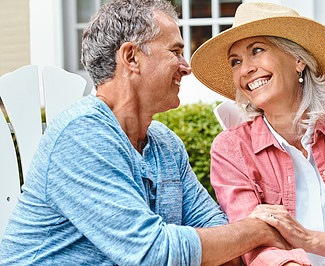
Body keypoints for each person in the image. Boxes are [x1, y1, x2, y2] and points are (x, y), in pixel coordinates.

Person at [0, 0, 290, 265]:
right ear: (131, 57)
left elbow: (214, 226)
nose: (186, 68)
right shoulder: (81, 136)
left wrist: (246, 240)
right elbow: (152, 253)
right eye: (175, 52)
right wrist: (255, 230)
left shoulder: (165, 145)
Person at [191, 2, 325, 265]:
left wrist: (308, 239)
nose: (245, 70)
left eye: (257, 50)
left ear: (298, 59)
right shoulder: (231, 150)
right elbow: (252, 246)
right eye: (236, 61)